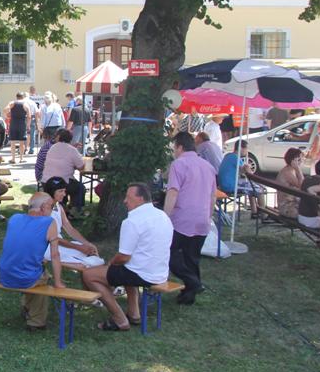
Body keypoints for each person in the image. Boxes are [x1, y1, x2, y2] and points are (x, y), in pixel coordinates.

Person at [83, 183, 173, 331]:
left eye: (128, 197)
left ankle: (119, 319)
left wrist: (110, 264)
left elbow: (124, 257)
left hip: (142, 273)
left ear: (140, 199)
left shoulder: (132, 221)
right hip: (160, 272)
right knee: (125, 269)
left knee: (89, 274)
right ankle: (134, 313)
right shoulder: (162, 216)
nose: (125, 201)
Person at [0, 192, 64, 331]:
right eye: (51, 206)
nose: (52, 210)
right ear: (44, 207)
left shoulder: (14, 218)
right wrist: (58, 283)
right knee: (44, 277)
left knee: (36, 269)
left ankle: (27, 308)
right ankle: (36, 322)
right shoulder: (49, 222)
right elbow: (55, 255)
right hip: (24, 278)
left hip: (4, 274)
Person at [165, 132, 218, 304]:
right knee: (192, 257)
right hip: (202, 217)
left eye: (175, 148)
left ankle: (194, 283)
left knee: (168, 253)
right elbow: (213, 196)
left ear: (180, 146)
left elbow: (173, 192)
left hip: (182, 218)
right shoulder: (208, 166)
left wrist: (165, 216)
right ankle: (189, 295)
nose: (174, 151)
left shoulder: (179, 164)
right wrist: (209, 216)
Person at [40, 176, 103, 268]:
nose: (64, 194)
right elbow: (51, 238)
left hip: (58, 243)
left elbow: (70, 229)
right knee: (86, 263)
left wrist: (87, 243)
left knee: (90, 253)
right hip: (47, 247)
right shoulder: (44, 209)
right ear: (51, 192)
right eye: (60, 191)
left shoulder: (58, 207)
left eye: (64, 191)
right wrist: (78, 247)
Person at [40, 129, 86, 216]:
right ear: (70, 139)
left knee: (67, 184)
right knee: (80, 187)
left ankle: (64, 208)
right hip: (61, 182)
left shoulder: (52, 147)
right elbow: (81, 166)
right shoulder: (72, 150)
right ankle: (75, 210)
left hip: (46, 182)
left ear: (58, 137)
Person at [217, 141, 263, 216]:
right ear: (240, 148)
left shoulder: (228, 156)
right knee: (260, 190)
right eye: (246, 148)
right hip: (230, 186)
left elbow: (241, 172)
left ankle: (254, 211)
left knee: (250, 187)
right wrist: (247, 168)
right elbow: (249, 174)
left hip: (223, 184)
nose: (247, 151)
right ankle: (264, 215)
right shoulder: (236, 158)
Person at [274, 148, 305, 218]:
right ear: (293, 160)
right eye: (299, 159)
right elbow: (302, 185)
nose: (301, 161)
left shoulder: (289, 170)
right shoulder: (287, 172)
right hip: (287, 208)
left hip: (290, 203)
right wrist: (298, 168)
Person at [6, 93, 31, 164]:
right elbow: (29, 116)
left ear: (16, 97)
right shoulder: (25, 104)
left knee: (13, 142)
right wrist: (28, 126)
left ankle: (13, 159)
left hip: (13, 123)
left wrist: (8, 116)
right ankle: (21, 158)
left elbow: (5, 110)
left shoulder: (12, 103)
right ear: (23, 97)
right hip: (22, 124)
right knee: (21, 142)